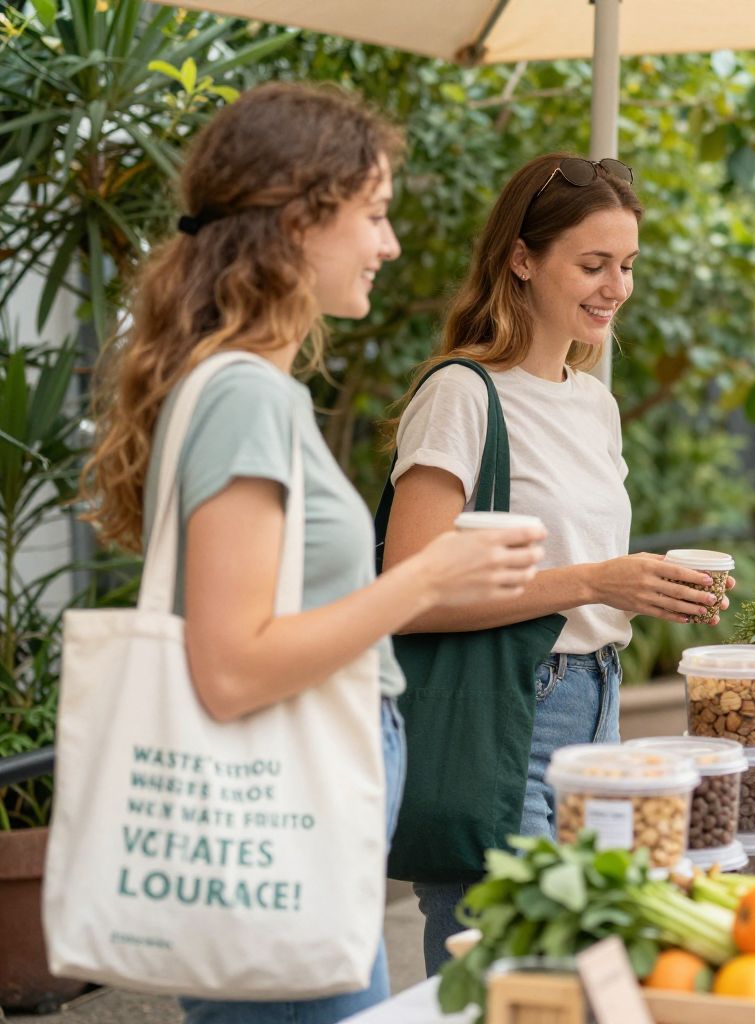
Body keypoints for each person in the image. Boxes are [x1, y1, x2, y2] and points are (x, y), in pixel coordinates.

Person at [79, 83, 544, 1023]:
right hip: (280, 811)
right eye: (373, 214)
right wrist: (425, 578)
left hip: (297, 813)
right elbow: (234, 665)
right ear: (299, 218)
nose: (390, 243)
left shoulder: (238, 388)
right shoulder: (246, 396)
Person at [378, 153, 729, 974]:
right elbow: (409, 589)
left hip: (595, 703)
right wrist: (597, 581)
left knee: (581, 973)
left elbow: (583, 567)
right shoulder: (463, 395)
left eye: (628, 266)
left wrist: (642, 588)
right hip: (507, 709)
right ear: (523, 259)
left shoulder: (591, 400)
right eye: (594, 264)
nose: (617, 287)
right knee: (515, 977)